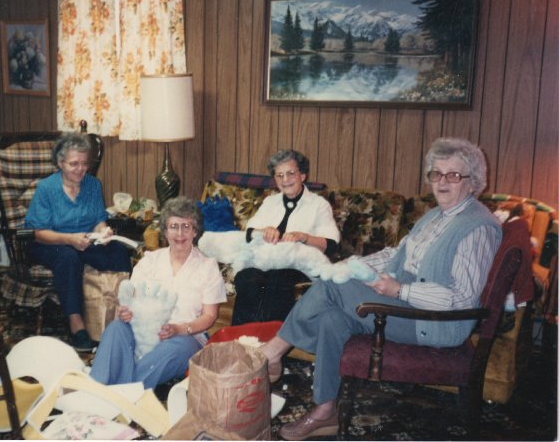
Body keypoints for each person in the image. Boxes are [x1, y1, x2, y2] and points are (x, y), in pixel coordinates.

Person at [261, 137, 503, 440]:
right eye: (436, 173)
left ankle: (272, 352)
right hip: (413, 309)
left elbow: (461, 298)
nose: (441, 182)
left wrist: (400, 290)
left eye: (453, 175)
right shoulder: (435, 215)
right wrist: (353, 265)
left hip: (438, 323)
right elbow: (395, 254)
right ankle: (326, 410)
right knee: (331, 317)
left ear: (472, 181)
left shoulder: (477, 226)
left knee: (332, 286)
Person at [90, 196, 226, 389]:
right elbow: (135, 296)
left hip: (184, 336)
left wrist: (179, 329)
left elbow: (210, 316)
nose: (180, 233)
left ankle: (122, 392)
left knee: (177, 349)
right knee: (116, 328)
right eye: (173, 226)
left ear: (195, 231)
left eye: (186, 226)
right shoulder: (150, 261)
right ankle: (96, 386)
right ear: (164, 230)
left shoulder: (207, 267)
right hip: (142, 327)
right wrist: (125, 310)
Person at [24, 132, 132, 352]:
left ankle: (122, 312)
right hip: (50, 243)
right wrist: (68, 239)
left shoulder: (92, 184)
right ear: (60, 163)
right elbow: (38, 232)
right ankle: (77, 324)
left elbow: (98, 221)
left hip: (84, 240)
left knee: (119, 251)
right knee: (69, 258)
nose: (80, 169)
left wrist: (104, 231)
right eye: (74, 164)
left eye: (84, 163)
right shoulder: (46, 188)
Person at [231, 149, 340, 325]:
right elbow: (249, 233)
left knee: (277, 279)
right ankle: (241, 340)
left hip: (299, 267)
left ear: (303, 175)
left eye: (290, 173)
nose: (285, 180)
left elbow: (332, 245)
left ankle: (270, 344)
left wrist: (304, 237)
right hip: (265, 264)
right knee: (246, 277)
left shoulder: (319, 205)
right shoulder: (270, 202)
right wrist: (264, 231)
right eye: (279, 175)